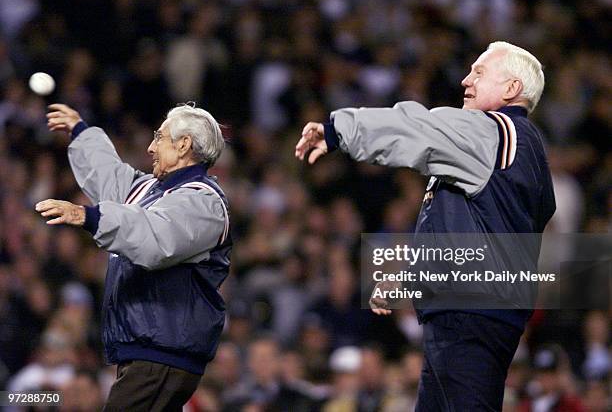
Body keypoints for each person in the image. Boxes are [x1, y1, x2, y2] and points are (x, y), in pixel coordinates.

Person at [295, 41, 556, 410]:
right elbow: (479, 236)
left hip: (468, 313)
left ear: (512, 90)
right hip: (477, 311)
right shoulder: (526, 151)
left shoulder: (490, 131)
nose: (466, 80)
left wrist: (340, 130)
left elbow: (416, 126)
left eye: (479, 72)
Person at [35, 102, 232, 411]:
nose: (151, 147)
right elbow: (109, 175)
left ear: (184, 145)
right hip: (147, 350)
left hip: (163, 352)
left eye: (161, 137)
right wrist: (80, 131)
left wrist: (87, 216)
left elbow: (153, 238)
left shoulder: (203, 202)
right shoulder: (149, 189)